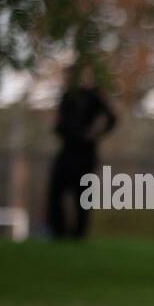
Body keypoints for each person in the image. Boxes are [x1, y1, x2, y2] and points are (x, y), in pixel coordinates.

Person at [46, 62, 116, 239]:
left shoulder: (94, 96)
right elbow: (60, 126)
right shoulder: (66, 96)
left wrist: (96, 133)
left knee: (82, 197)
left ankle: (79, 235)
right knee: (56, 192)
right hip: (67, 151)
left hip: (85, 155)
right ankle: (58, 232)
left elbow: (112, 118)